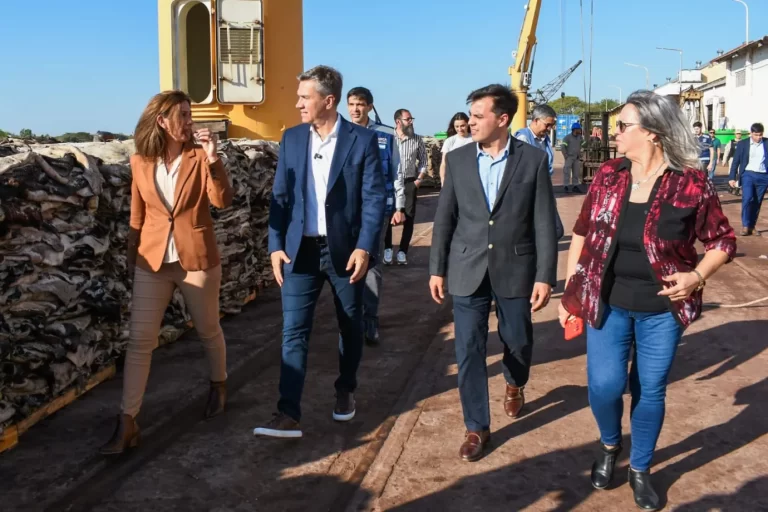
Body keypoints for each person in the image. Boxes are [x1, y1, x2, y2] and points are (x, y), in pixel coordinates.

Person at [559, 90, 736, 511]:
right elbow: (582, 231)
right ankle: (609, 444)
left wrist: (696, 276)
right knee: (604, 386)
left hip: (662, 310)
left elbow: (722, 240)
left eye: (622, 126)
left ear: (653, 132)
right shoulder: (609, 174)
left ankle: (640, 467)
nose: (614, 133)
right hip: (608, 302)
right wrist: (571, 291)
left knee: (650, 390)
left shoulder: (691, 182)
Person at [254, 66, 386, 438]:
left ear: (328, 101)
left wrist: (365, 247)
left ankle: (345, 389)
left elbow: (374, 199)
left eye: (304, 97)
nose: (298, 104)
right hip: (300, 253)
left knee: (350, 325)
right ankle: (288, 412)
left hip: (346, 252)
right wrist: (275, 246)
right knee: (293, 330)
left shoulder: (362, 140)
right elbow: (280, 197)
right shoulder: (292, 139)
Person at [100, 91, 234, 455]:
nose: (190, 121)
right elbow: (137, 216)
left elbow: (222, 200)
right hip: (153, 261)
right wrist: (132, 259)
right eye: (184, 115)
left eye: (191, 114)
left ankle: (219, 385)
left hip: (196, 259)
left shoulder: (199, 156)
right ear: (162, 121)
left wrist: (213, 158)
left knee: (208, 330)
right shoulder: (140, 161)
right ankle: (127, 421)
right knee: (139, 341)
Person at [429, 84, 557, 463]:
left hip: (515, 266)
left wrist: (545, 275)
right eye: (470, 115)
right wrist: (437, 268)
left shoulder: (532, 160)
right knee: (468, 348)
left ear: (502, 119)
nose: (470, 122)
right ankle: (476, 427)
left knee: (517, 340)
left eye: (478, 116)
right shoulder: (458, 160)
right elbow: (445, 218)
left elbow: (544, 222)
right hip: (466, 266)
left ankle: (515, 383)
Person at [346, 86, 405, 345]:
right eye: (351, 104)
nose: (355, 109)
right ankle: (350, 318)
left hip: (376, 210)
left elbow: (397, 171)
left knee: (371, 262)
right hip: (346, 211)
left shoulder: (386, 135)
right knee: (345, 263)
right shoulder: (340, 133)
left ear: (370, 106)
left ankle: (370, 319)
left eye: (360, 104)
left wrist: (399, 206)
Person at [514, 104, 565, 239]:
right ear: (536, 120)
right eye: (547, 125)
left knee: (556, 230)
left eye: (551, 126)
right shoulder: (523, 138)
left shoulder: (544, 140)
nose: (549, 129)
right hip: (528, 191)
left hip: (543, 187)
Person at [383, 109, 427, 266]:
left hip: (409, 182)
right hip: (391, 183)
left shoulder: (417, 139)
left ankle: (402, 251)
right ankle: (387, 248)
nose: (411, 122)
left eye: (411, 119)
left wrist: (418, 181)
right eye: (408, 119)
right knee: (388, 215)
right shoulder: (388, 137)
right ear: (398, 122)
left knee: (408, 217)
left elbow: (424, 161)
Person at [729, 122, 767, 237]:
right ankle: (745, 225)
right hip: (748, 174)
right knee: (748, 198)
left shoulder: (766, 143)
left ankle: (752, 226)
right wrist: (732, 177)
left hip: (763, 176)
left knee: (757, 202)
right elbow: (736, 161)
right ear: (751, 133)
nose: (758, 137)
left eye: (760, 135)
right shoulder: (743, 144)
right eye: (756, 135)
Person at [439, 112, 474, 184]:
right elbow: (444, 163)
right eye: (457, 126)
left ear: (468, 124)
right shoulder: (449, 141)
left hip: (472, 178)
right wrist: (443, 180)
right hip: (454, 178)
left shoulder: (475, 139)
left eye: (462, 126)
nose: (460, 129)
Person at [560, 122, 584, 193]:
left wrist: (581, 153)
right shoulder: (567, 138)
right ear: (574, 129)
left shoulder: (580, 137)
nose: (580, 130)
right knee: (567, 172)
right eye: (579, 129)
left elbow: (583, 144)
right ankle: (566, 186)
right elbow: (563, 147)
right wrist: (566, 156)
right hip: (569, 157)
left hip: (576, 158)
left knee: (576, 173)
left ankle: (575, 186)